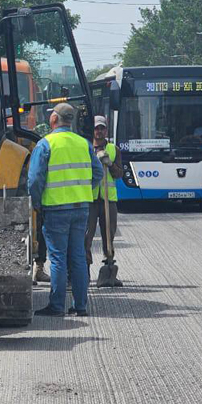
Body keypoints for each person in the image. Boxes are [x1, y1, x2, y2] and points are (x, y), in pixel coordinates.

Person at [28, 102, 103, 317]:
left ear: (53, 120)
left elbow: (34, 179)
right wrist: (83, 191)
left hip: (55, 208)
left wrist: (36, 202)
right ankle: (80, 306)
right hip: (81, 208)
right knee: (78, 256)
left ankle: (57, 306)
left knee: (59, 257)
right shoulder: (84, 144)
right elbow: (97, 173)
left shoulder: (46, 144)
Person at [87, 115, 123, 287]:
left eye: (101, 128)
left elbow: (119, 174)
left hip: (109, 200)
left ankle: (109, 268)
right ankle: (83, 271)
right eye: (96, 128)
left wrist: (109, 163)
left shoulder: (113, 149)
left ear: (106, 130)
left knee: (109, 234)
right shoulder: (85, 149)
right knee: (86, 236)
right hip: (90, 200)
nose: (99, 131)